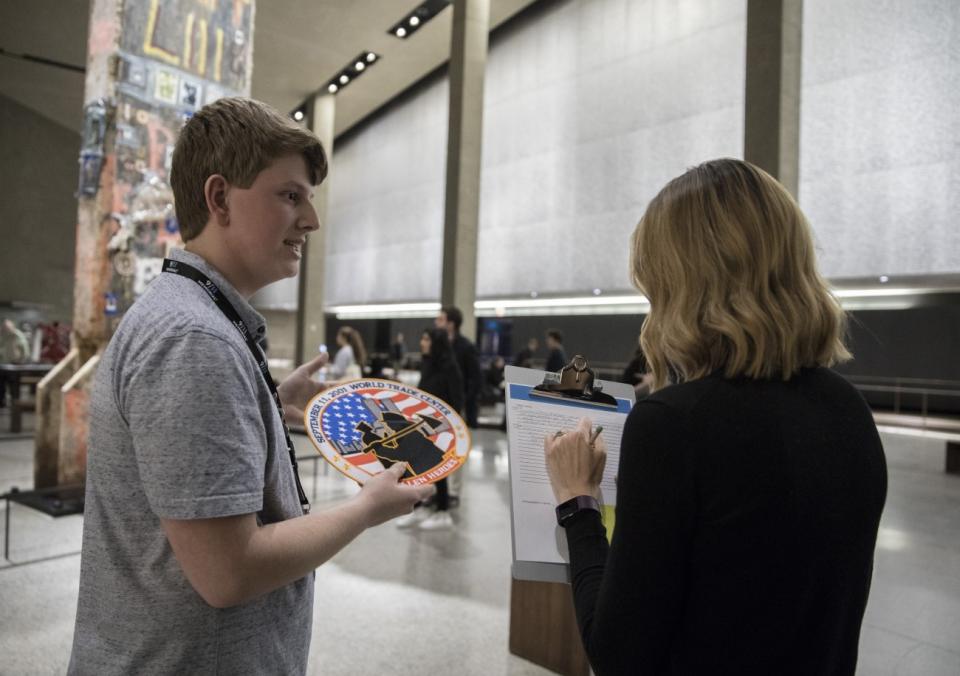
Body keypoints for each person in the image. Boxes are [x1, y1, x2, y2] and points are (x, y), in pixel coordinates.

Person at [68, 97, 433, 675]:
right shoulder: (196, 340)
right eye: (290, 195)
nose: (310, 220)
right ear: (219, 199)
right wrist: (365, 508)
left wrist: (264, 403)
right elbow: (228, 572)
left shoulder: (194, 321)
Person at [544, 158, 887, 675]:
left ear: (679, 285)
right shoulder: (847, 407)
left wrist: (578, 503)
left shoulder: (674, 427)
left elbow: (618, 655)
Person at [396, 328, 465, 531]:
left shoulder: (450, 367)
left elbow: (457, 398)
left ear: (436, 342)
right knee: (420, 468)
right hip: (423, 424)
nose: (422, 343)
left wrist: (448, 426)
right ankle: (419, 507)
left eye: (426, 339)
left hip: (442, 426)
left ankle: (442, 512)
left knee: (438, 470)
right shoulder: (428, 363)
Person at [436, 306, 480, 428]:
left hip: (457, 408)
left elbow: (475, 379)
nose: (436, 322)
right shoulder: (437, 347)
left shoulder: (466, 347)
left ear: (451, 324)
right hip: (439, 406)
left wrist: (464, 403)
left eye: (440, 320)